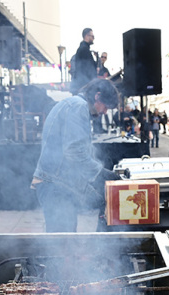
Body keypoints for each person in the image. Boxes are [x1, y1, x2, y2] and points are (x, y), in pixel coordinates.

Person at [31, 78, 120, 232]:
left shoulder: (74, 105)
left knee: (66, 241)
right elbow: (74, 153)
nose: (105, 112)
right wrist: (102, 173)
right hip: (55, 187)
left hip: (58, 185)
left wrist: (94, 195)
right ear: (97, 96)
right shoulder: (78, 107)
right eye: (105, 107)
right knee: (61, 244)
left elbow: (74, 162)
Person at [70, 28, 97, 94]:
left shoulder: (83, 48)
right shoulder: (84, 49)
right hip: (84, 86)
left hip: (82, 85)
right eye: (92, 36)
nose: (94, 38)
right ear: (86, 36)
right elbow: (89, 70)